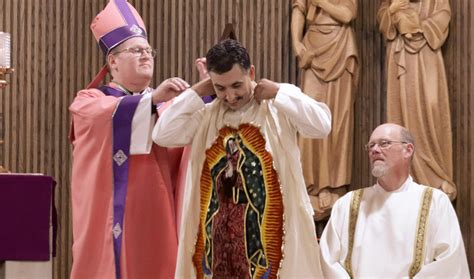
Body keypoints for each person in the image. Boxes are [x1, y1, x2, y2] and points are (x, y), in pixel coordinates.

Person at [153, 39, 331, 278]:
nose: (230, 96)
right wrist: (195, 92)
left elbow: (321, 126)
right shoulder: (205, 116)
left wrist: (279, 92)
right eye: (220, 88)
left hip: (263, 225)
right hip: (221, 234)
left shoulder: (277, 108)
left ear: (252, 73)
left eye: (237, 85)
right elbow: (162, 134)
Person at [69, 0, 188, 278]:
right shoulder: (90, 100)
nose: (146, 56)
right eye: (136, 50)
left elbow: (190, 142)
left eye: (148, 50)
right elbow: (99, 118)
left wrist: (206, 95)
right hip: (110, 218)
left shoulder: (166, 105)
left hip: (157, 217)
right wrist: (152, 101)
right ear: (112, 62)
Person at [319, 123, 470, 278]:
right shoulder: (348, 204)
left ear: (408, 150)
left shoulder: (435, 202)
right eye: (371, 146)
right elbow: (328, 260)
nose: (374, 150)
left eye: (384, 143)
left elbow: (449, 263)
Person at [377, 0, 456, 200]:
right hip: (400, 54)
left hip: (426, 55)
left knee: (431, 109)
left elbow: (442, 16)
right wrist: (394, 10)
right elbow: (383, 18)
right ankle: (401, 176)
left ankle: (435, 175)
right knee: (400, 112)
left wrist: (416, 27)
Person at [291, 0, 359, 221]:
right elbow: (299, 10)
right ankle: (311, 186)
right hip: (313, 46)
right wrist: (297, 44)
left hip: (340, 45)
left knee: (339, 119)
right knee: (310, 118)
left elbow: (348, 14)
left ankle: (333, 185)